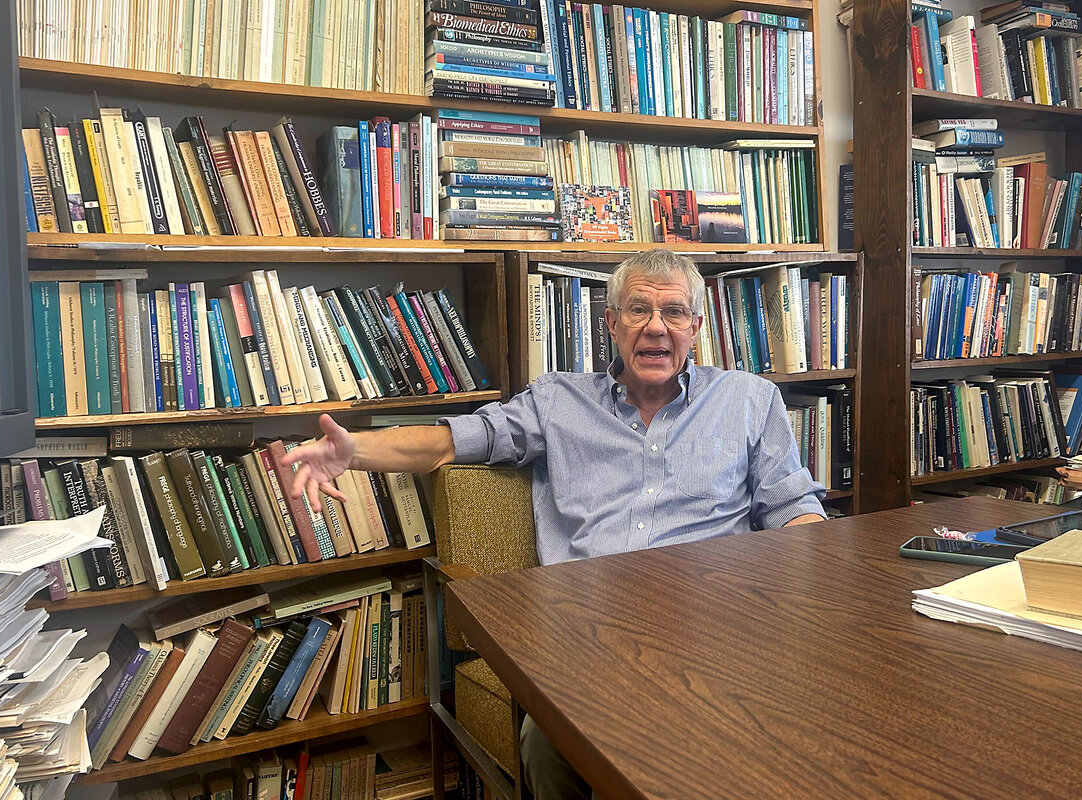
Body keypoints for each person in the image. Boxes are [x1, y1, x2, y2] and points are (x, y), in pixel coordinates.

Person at [280, 248, 825, 799]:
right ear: (611, 323)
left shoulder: (749, 400)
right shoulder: (559, 402)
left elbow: (795, 511)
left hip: (720, 631)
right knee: (548, 741)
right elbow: (456, 440)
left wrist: (813, 606)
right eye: (638, 310)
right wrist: (354, 451)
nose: (657, 328)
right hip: (593, 636)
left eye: (675, 313)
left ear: (697, 327)